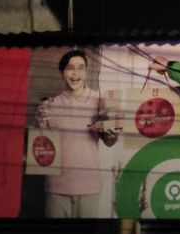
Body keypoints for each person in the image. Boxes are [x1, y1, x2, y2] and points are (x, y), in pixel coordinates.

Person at [36, 49, 121, 218]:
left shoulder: (100, 101)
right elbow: (42, 149)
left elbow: (110, 141)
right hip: (56, 188)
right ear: (61, 72)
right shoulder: (50, 105)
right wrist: (39, 122)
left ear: (86, 72)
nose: (76, 73)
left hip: (89, 187)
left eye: (81, 68)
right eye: (70, 68)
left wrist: (113, 130)